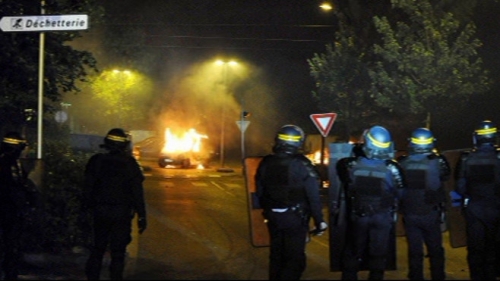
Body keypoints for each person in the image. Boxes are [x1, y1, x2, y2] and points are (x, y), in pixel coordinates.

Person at [255, 124, 327, 280]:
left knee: (276, 255)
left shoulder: (266, 162)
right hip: (295, 218)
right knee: (294, 259)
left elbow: (260, 191)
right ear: (298, 142)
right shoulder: (303, 164)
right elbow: (313, 196)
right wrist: (320, 221)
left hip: (272, 216)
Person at [336, 125, 406, 280]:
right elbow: (401, 193)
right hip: (382, 217)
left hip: (359, 216)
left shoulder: (349, 165)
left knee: (353, 253)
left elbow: (345, 180)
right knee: (378, 256)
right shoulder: (392, 168)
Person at [84, 128, 147, 280]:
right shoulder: (130, 164)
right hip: (121, 214)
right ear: (125, 145)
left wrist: (84, 211)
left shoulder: (96, 161)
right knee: (118, 253)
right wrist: (142, 216)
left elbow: (87, 189)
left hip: (99, 212)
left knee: (97, 250)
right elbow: (137, 192)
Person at [396, 128, 451, 280]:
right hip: (431, 213)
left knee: (414, 250)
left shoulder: (403, 162)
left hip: (410, 213)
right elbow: (446, 176)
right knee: (435, 249)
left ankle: (416, 276)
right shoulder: (438, 161)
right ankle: (438, 276)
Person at [454, 120, 500, 280]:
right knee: (493, 247)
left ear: (476, 138)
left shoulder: (466, 159)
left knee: (475, 249)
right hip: (496, 209)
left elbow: (460, 188)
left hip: (474, 209)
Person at [0, 131, 28, 280]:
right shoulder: (9, 163)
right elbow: (15, 187)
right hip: (9, 210)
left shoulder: (9, 161)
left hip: (9, 209)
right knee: (10, 244)